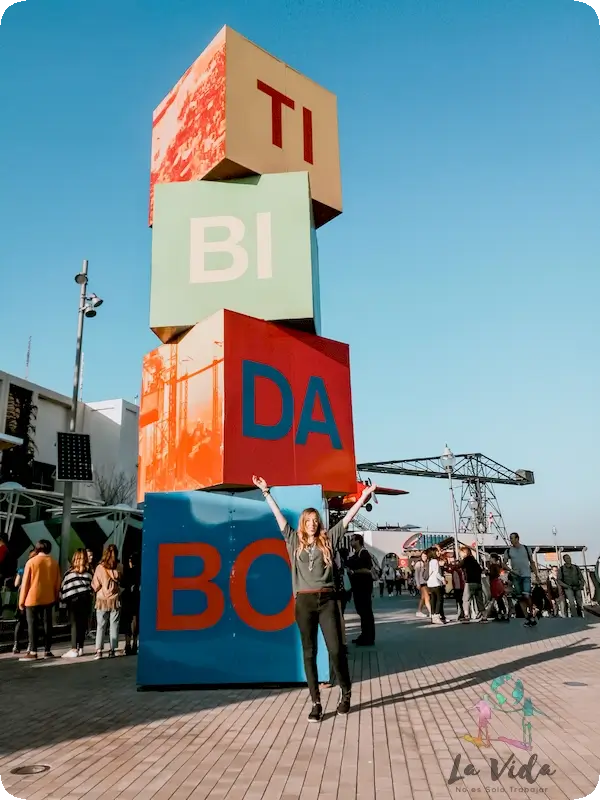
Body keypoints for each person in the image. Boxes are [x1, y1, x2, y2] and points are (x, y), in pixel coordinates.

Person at [252, 474, 377, 722]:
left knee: (336, 649)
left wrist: (363, 497)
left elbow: (348, 518)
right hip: (304, 603)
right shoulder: (293, 540)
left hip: (328, 601)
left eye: (315, 520)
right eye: (308, 521)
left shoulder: (329, 539)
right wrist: (266, 492)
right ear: (303, 523)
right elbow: (278, 517)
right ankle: (315, 702)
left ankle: (346, 692)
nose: (312, 524)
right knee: (309, 652)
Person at [18, 539, 61, 660]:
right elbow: (57, 583)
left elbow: (25, 583)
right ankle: (47, 650)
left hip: (32, 598)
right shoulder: (54, 563)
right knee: (47, 624)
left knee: (32, 625)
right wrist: (55, 597)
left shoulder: (31, 562)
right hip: (49, 597)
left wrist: (21, 601)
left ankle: (33, 651)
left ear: (37, 548)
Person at [59, 549, 93, 658]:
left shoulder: (69, 573)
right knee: (82, 624)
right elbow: (91, 587)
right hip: (86, 600)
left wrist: (62, 602)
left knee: (74, 624)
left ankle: (74, 649)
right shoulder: (89, 573)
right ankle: (81, 647)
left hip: (73, 601)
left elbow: (63, 588)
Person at [92, 544, 123, 659]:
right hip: (115, 599)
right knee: (114, 625)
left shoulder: (100, 567)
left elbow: (96, 585)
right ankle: (112, 650)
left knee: (101, 625)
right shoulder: (119, 566)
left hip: (102, 600)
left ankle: (99, 650)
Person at [503, 532, 540, 628]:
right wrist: (511, 571)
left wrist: (536, 575)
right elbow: (503, 564)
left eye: (512, 538)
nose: (511, 540)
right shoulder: (508, 551)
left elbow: (532, 562)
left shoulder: (526, 549)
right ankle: (527, 617)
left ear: (517, 538)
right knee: (520, 597)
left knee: (527, 595)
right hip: (516, 576)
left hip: (526, 575)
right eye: (510, 538)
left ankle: (531, 613)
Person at [347, 534, 376, 646]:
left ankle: (369, 637)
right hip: (358, 587)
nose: (350, 542)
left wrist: (354, 570)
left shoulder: (364, 553)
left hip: (364, 587)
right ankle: (364, 635)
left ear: (358, 541)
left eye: (352, 540)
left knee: (366, 612)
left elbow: (364, 568)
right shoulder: (356, 554)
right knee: (361, 611)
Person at [121, 552, 141, 655]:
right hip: (137, 597)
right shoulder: (141, 572)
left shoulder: (127, 572)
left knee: (127, 622)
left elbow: (122, 584)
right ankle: (135, 643)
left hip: (127, 597)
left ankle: (127, 644)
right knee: (135, 620)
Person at [460, 546, 484, 622]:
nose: (460, 554)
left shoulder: (465, 560)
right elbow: (480, 570)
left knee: (466, 600)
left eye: (461, 553)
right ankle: (484, 616)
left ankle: (466, 616)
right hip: (478, 582)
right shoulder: (474, 560)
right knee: (479, 600)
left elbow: (459, 566)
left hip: (470, 582)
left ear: (465, 552)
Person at [426, 548, 447, 624]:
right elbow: (436, 573)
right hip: (436, 582)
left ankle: (433, 616)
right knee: (439, 600)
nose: (438, 552)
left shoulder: (430, 561)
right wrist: (442, 579)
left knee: (433, 600)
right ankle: (437, 616)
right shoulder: (435, 561)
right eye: (437, 551)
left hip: (430, 583)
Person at [414, 552, 431, 618]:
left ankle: (419, 611)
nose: (424, 558)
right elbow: (416, 575)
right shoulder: (419, 564)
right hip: (422, 583)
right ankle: (431, 612)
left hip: (427, 582)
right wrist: (417, 584)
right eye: (423, 556)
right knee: (427, 597)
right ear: (421, 556)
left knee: (423, 598)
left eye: (425, 556)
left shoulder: (427, 563)